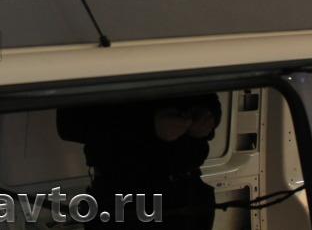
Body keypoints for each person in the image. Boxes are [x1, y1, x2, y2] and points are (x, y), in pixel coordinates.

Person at [56, 94, 221, 228]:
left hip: (187, 193)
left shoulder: (181, 62)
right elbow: (69, 124)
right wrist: (148, 125)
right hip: (122, 197)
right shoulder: (95, 65)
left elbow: (209, 99)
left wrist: (207, 117)